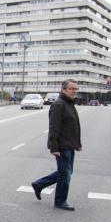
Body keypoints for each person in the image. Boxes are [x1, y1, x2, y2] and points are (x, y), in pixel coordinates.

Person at [31, 79, 82, 210]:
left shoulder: (69, 103)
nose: (74, 91)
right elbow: (54, 127)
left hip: (69, 145)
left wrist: (77, 144)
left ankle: (39, 184)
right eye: (71, 89)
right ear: (63, 90)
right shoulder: (59, 104)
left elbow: (73, 126)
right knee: (65, 174)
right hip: (62, 146)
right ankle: (60, 201)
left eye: (76, 89)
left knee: (66, 172)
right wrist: (54, 147)